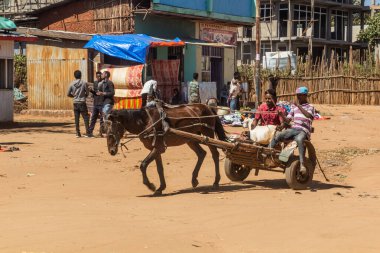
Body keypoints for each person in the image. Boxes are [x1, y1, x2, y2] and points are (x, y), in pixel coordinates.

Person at [269, 86, 315, 175]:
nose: (298, 97)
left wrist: (298, 106)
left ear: (305, 96)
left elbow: (309, 116)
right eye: (297, 95)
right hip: (294, 129)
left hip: (304, 131)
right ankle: (267, 153)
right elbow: (288, 120)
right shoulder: (294, 107)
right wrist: (282, 115)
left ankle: (302, 164)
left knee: (299, 139)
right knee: (278, 135)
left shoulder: (310, 106)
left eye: (300, 95)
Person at [67, 70, 90, 138]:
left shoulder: (71, 84)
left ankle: (77, 133)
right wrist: (84, 96)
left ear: (74, 76)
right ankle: (88, 133)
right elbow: (87, 93)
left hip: (75, 103)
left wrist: (74, 96)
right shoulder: (84, 83)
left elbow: (68, 94)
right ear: (81, 75)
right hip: (82, 102)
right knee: (85, 118)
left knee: (77, 118)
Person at [88, 71, 104, 137]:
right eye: (97, 76)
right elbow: (95, 93)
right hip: (96, 103)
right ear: (96, 76)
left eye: (100, 76)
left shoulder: (104, 83)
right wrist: (91, 90)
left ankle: (101, 132)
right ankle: (90, 132)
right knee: (93, 118)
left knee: (102, 119)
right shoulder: (95, 83)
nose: (99, 77)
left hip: (102, 103)